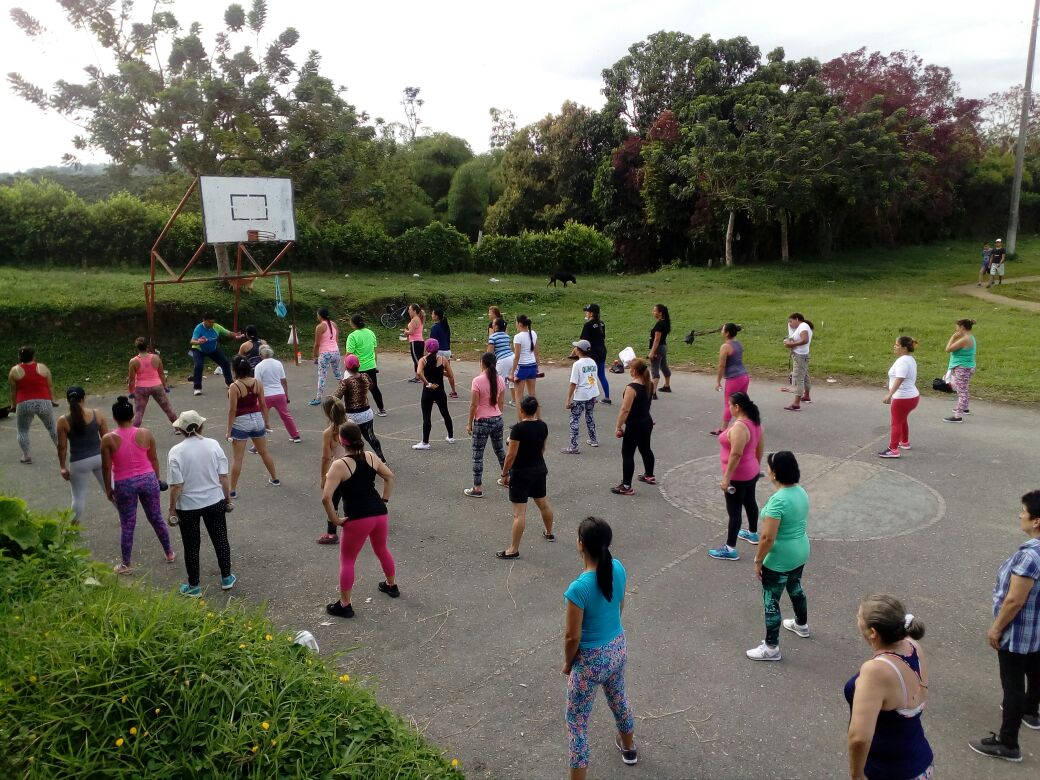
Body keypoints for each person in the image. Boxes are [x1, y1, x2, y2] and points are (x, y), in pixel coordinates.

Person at [969, 490, 1040, 762]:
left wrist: (997, 628)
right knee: (1035, 670)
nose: (1020, 515)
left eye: (1024, 511)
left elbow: (1014, 600)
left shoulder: (1030, 556)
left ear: (1036, 521)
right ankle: (1031, 712)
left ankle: (1008, 743)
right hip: (1037, 628)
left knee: (1012, 686)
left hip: (1019, 629)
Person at [563, 516, 637, 778]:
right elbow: (620, 606)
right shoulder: (617, 567)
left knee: (577, 722)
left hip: (590, 660)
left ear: (581, 544)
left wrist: (567, 663)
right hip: (617, 647)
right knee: (619, 699)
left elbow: (572, 637)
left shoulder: (578, 588)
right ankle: (629, 747)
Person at [846, 595, 933, 780]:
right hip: (920, 762)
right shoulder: (913, 646)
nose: (856, 620)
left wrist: (857, 776)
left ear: (873, 633)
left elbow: (859, 738)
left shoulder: (876, 671)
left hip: (888, 771)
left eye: (858, 617)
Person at [322, 420, 399, 619]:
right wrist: (384, 499)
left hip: (357, 518)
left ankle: (345, 604)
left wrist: (335, 520)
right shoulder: (371, 457)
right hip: (379, 514)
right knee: (382, 549)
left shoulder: (340, 465)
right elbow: (389, 477)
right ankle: (391, 585)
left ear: (341, 440)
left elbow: (326, 497)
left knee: (348, 560)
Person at [747, 450, 810, 661]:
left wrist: (758, 560)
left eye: (769, 468)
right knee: (795, 587)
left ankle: (771, 647)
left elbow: (767, 538)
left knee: (771, 601)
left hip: (779, 558)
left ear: (774, 474)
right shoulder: (800, 491)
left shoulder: (778, 501)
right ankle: (801, 625)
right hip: (800, 550)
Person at [100, 396, 175, 573]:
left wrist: (108, 488)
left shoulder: (108, 439)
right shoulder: (145, 433)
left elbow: (106, 466)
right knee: (156, 517)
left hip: (124, 482)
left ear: (115, 417)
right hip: (148, 478)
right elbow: (154, 458)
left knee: (128, 523)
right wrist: (156, 480)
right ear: (132, 415)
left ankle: (126, 563)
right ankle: (169, 552)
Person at [166, 410, 236, 597]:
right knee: (220, 539)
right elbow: (223, 477)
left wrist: (172, 509)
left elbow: (176, 486)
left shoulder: (176, 451)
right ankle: (227, 577)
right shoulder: (213, 445)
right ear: (201, 426)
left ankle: (194, 585)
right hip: (214, 500)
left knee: (191, 545)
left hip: (188, 506)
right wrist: (227, 499)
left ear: (180, 429)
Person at [708, 392, 764, 561]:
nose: (729, 408)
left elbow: (736, 454)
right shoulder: (755, 423)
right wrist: (756, 466)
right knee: (750, 501)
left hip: (738, 477)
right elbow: (760, 447)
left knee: (734, 511)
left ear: (737, 407)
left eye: (730, 406)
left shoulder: (740, 427)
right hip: (750, 472)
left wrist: (727, 478)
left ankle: (730, 548)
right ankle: (752, 533)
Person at [496, 396, 554, 558]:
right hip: (539, 468)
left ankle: (513, 549)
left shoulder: (518, 429)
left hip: (521, 472)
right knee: (543, 503)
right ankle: (549, 532)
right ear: (535, 410)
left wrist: (504, 473)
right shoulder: (543, 426)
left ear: (521, 410)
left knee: (519, 513)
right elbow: (542, 448)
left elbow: (511, 455)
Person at [225, 356, 279, 498]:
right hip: (257, 419)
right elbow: (262, 404)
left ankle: (232, 490)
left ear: (235, 369)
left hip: (241, 422)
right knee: (264, 452)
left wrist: (228, 431)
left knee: (238, 458)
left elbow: (232, 410)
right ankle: (275, 478)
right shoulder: (257, 383)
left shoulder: (234, 386)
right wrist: (266, 422)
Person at [56, 386, 108, 522]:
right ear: (83, 398)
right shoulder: (97, 414)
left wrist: (62, 466)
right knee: (111, 489)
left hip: (78, 462)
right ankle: (126, 517)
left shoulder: (63, 420)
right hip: (100, 458)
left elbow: (62, 446)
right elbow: (107, 439)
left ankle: (72, 529)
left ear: (67, 401)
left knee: (78, 497)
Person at [464, 352, 506, 498]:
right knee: (500, 450)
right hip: (497, 418)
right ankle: (507, 478)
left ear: (483, 363)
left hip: (482, 420)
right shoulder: (500, 379)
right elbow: (500, 403)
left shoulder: (477, 381)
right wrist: (498, 415)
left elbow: (474, 404)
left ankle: (477, 487)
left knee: (478, 455)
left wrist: (470, 423)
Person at [611, 359, 655, 496]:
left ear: (635, 371)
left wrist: (618, 426)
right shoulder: (650, 384)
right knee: (645, 448)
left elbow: (625, 409)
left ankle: (626, 486)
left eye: (630, 368)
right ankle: (649, 475)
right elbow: (645, 404)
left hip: (635, 425)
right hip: (647, 422)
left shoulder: (631, 388)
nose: (629, 370)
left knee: (628, 454)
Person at [8, 345, 57, 464]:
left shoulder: (14, 371)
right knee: (52, 427)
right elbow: (50, 386)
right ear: (34, 356)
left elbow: (13, 391)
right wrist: (53, 400)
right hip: (44, 401)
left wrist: (13, 406)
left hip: (24, 403)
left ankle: (26, 456)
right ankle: (61, 448)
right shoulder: (43, 367)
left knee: (23, 431)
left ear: (19, 357)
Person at [333, 354, 386, 461]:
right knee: (371, 436)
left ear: (346, 367)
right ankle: (381, 458)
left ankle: (354, 459)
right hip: (366, 412)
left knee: (350, 439)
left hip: (352, 415)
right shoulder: (365, 376)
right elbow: (371, 386)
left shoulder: (345, 382)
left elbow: (336, 397)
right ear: (359, 365)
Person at [879, 337, 920, 459]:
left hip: (903, 398)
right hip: (912, 397)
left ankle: (893, 449)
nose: (894, 346)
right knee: (902, 419)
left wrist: (890, 394)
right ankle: (904, 442)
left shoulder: (902, 361)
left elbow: (900, 378)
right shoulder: (910, 359)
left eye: (897, 345)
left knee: (896, 423)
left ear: (904, 348)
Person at [413, 338, 456, 449]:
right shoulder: (443, 359)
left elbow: (418, 373)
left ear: (426, 348)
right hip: (440, 391)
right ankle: (451, 437)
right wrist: (441, 371)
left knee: (427, 417)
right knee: (445, 413)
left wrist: (428, 383)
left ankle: (425, 442)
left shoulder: (423, 360)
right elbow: (451, 375)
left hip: (428, 391)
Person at [253, 344, 301, 443]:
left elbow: (258, 384)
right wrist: (286, 394)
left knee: (260, 418)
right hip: (279, 393)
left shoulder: (258, 366)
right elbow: (283, 380)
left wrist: (256, 397)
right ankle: (295, 436)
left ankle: (258, 443)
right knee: (286, 416)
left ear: (260, 355)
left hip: (266, 395)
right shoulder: (278, 363)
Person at [317, 397, 348, 545]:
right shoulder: (351, 424)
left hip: (338, 470)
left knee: (331, 500)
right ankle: (358, 524)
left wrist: (323, 477)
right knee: (353, 498)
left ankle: (331, 533)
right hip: (354, 466)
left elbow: (325, 457)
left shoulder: (329, 432)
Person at [189, 312, 242, 396]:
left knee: (225, 363)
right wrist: (198, 341)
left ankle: (229, 383)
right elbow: (192, 341)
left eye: (213, 322)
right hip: (199, 350)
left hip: (212, 349)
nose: (211, 324)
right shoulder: (198, 328)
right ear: (204, 320)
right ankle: (197, 387)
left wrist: (236, 335)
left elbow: (227, 333)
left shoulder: (216, 326)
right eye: (209, 322)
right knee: (199, 366)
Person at [128, 337, 176, 426]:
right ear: (147, 346)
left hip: (141, 388)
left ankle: (133, 433)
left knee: (139, 412)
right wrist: (165, 386)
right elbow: (161, 374)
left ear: (137, 347)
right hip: (157, 386)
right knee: (167, 408)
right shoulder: (156, 358)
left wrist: (131, 391)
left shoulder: (133, 361)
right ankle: (178, 428)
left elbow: (131, 379)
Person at [562, 339, 600, 454]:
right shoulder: (593, 362)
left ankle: (574, 446)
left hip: (581, 395)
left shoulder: (577, 365)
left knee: (574, 419)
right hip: (592, 393)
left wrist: (568, 399)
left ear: (578, 350)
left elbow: (573, 383)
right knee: (589, 416)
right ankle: (593, 440)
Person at [712, 323, 749, 436]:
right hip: (744, 376)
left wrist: (718, 381)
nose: (721, 332)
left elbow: (721, 366)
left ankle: (723, 429)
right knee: (742, 401)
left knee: (729, 403)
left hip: (734, 378)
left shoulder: (725, 346)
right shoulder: (738, 344)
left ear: (727, 333)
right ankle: (746, 423)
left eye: (722, 330)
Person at [346, 314, 386, 416]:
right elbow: (375, 350)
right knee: (374, 388)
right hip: (371, 365)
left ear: (353, 323)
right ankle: (381, 409)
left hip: (357, 367)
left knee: (356, 389)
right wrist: (374, 364)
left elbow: (349, 354)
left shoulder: (352, 336)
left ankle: (358, 410)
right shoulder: (370, 333)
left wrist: (347, 366)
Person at [943, 318, 976, 423]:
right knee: (963, 388)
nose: (956, 330)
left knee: (962, 391)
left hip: (962, 368)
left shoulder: (965, 339)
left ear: (962, 327)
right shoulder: (970, 337)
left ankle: (958, 416)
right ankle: (964, 408)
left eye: (957, 328)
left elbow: (948, 349)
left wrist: (953, 337)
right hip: (966, 367)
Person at [510, 314, 541, 417]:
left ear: (519, 324)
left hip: (522, 368)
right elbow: (536, 353)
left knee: (518, 398)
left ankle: (520, 422)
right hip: (532, 366)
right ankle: (538, 419)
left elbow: (517, 357)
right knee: (533, 395)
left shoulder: (517, 337)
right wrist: (537, 367)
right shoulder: (533, 333)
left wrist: (512, 373)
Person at [782, 313, 814, 411]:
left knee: (798, 379)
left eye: (791, 321)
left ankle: (796, 404)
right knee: (805, 375)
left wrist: (791, 344)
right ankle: (807, 396)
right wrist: (790, 342)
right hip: (802, 355)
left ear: (797, 319)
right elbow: (799, 338)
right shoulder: (802, 326)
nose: (790, 323)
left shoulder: (803, 326)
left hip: (800, 356)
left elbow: (805, 340)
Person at [580, 303, 610, 405]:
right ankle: (607, 397)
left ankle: (592, 398)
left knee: (590, 375)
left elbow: (583, 341)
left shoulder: (587, 325)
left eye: (587, 311)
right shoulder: (602, 323)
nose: (586, 313)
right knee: (601, 374)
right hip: (602, 350)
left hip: (593, 353)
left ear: (591, 313)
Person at [310, 308, 342, 405]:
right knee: (338, 373)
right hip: (335, 352)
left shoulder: (320, 327)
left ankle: (318, 398)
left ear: (320, 315)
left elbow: (317, 343)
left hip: (325, 353)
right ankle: (347, 389)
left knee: (322, 376)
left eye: (317, 314)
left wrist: (314, 355)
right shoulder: (334, 324)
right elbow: (336, 340)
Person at [488, 317, 516, 407]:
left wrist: (489, 365)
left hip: (503, 360)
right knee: (512, 380)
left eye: (493, 323)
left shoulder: (492, 337)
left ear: (496, 326)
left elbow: (490, 353)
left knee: (498, 382)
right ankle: (515, 400)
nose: (492, 324)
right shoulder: (506, 335)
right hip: (512, 357)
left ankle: (496, 402)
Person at [430, 308, 457, 398]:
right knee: (448, 372)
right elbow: (448, 340)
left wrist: (431, 354)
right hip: (447, 351)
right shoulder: (446, 326)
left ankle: (436, 395)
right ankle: (454, 391)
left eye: (433, 314)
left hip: (439, 352)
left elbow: (432, 343)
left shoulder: (434, 328)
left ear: (437, 316)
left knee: (436, 373)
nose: (432, 315)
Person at [648, 304, 672, 398]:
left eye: (654, 311)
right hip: (663, 347)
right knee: (664, 366)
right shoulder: (665, 322)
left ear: (660, 313)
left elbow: (657, 339)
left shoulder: (659, 324)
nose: (653, 312)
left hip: (658, 349)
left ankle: (652, 393)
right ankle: (667, 386)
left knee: (654, 369)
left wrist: (652, 352)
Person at [403, 304, 425, 381]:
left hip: (415, 342)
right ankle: (418, 376)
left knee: (416, 360)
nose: (408, 311)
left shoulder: (414, 319)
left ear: (414, 311)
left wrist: (405, 331)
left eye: (410, 309)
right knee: (419, 359)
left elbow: (411, 332)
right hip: (420, 341)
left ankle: (419, 377)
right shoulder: (419, 318)